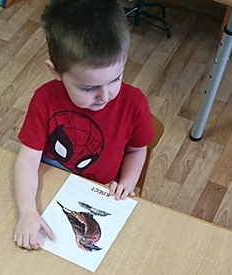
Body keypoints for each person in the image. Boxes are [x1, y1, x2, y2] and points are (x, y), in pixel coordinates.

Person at [14, 0, 154, 249]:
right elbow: (27, 160)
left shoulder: (134, 103)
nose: (105, 96)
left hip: (98, 194)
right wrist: (27, 211)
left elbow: (136, 149)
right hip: (48, 189)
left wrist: (126, 184)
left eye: (115, 79)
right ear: (55, 72)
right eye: (88, 88)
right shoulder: (45, 99)